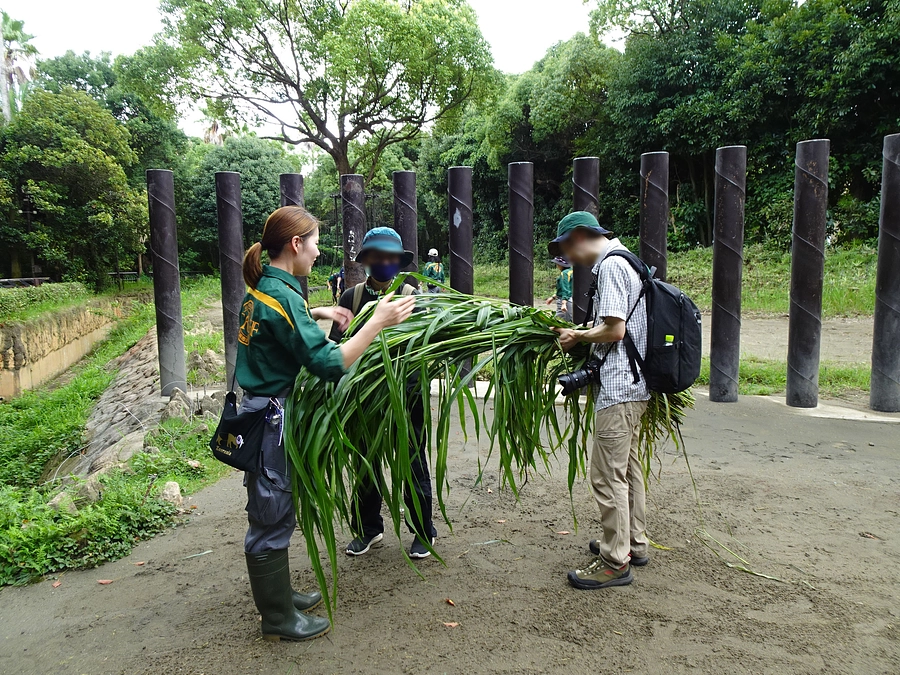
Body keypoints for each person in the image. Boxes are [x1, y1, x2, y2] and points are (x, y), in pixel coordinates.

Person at [236, 207, 415, 641]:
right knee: (272, 511)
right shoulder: (282, 295)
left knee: (274, 504)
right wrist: (376, 322)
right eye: (314, 242)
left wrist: (317, 312)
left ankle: (279, 598)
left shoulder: (268, 287)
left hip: (261, 409)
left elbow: (280, 326)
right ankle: (276, 617)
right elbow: (331, 363)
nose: (318, 252)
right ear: (296, 244)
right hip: (271, 417)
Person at [549, 211, 650, 590]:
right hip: (637, 386)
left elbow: (613, 329)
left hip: (619, 387)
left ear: (579, 238)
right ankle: (633, 543)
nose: (570, 259)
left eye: (567, 249)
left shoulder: (610, 266)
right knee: (628, 471)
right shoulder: (631, 261)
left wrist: (577, 336)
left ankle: (614, 560)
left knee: (606, 476)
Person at [329, 227, 438, 560]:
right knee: (364, 461)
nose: (384, 262)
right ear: (367, 260)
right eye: (377, 257)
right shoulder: (351, 297)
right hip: (364, 396)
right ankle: (368, 529)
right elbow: (337, 347)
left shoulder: (412, 296)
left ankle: (423, 531)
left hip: (408, 394)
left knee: (413, 461)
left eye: (391, 257)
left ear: (399, 261)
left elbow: (427, 347)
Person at [545, 256, 573, 322]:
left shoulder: (564, 274)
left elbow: (565, 289)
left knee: (558, 322)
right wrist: (553, 297)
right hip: (570, 299)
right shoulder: (571, 271)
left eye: (557, 264)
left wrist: (563, 303)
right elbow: (569, 288)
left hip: (565, 300)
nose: (557, 265)